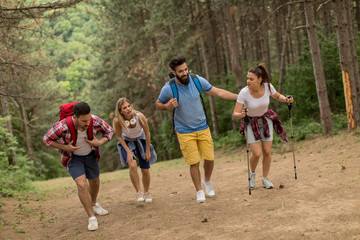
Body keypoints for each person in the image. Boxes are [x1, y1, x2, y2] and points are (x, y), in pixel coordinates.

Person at [155, 56, 238, 203]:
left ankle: (207, 181)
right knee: (194, 162)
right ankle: (199, 190)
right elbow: (158, 104)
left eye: (186, 69)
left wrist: (239, 97)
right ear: (174, 72)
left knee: (210, 159)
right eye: (181, 71)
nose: (185, 73)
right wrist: (167, 106)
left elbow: (217, 91)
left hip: (202, 127)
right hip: (184, 130)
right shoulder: (169, 88)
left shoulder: (197, 80)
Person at [43, 102, 114, 231]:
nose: (87, 123)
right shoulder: (63, 126)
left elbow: (109, 131)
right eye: (84, 121)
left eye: (89, 119)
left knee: (95, 182)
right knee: (81, 184)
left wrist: (100, 142)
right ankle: (91, 217)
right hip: (73, 158)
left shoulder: (95, 120)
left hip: (91, 155)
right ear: (75, 118)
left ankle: (94, 204)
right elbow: (47, 139)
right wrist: (64, 147)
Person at [232, 64, 293, 189]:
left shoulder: (268, 87)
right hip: (251, 121)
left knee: (267, 151)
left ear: (260, 79)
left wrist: (286, 99)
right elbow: (235, 114)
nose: (248, 81)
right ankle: (252, 174)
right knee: (257, 153)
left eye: (251, 79)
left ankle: (265, 178)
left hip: (266, 118)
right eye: (247, 78)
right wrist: (241, 114)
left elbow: (277, 96)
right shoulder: (244, 93)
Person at [113, 97, 157, 203]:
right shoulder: (117, 120)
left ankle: (146, 192)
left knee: (145, 169)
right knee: (132, 164)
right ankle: (139, 192)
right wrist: (128, 151)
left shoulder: (139, 116)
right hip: (127, 142)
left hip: (141, 140)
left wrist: (147, 150)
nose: (128, 109)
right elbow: (119, 137)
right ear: (120, 111)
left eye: (129, 106)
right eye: (124, 107)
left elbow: (147, 133)